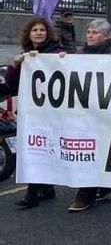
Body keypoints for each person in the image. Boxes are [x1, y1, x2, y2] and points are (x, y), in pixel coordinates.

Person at [5, 18, 64, 209]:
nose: (38, 33)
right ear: (29, 34)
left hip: (50, 111)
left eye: (41, 30)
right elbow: (12, 86)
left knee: (41, 148)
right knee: (34, 149)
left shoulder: (56, 52)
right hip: (30, 111)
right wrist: (15, 65)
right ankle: (45, 188)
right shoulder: (25, 55)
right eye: (34, 30)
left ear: (47, 33)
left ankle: (32, 193)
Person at [65, 19, 111, 212]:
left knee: (102, 149)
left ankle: (92, 192)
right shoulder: (79, 54)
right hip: (84, 112)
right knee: (88, 150)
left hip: (105, 112)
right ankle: (88, 192)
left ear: (107, 36)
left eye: (95, 32)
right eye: (88, 31)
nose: (89, 35)